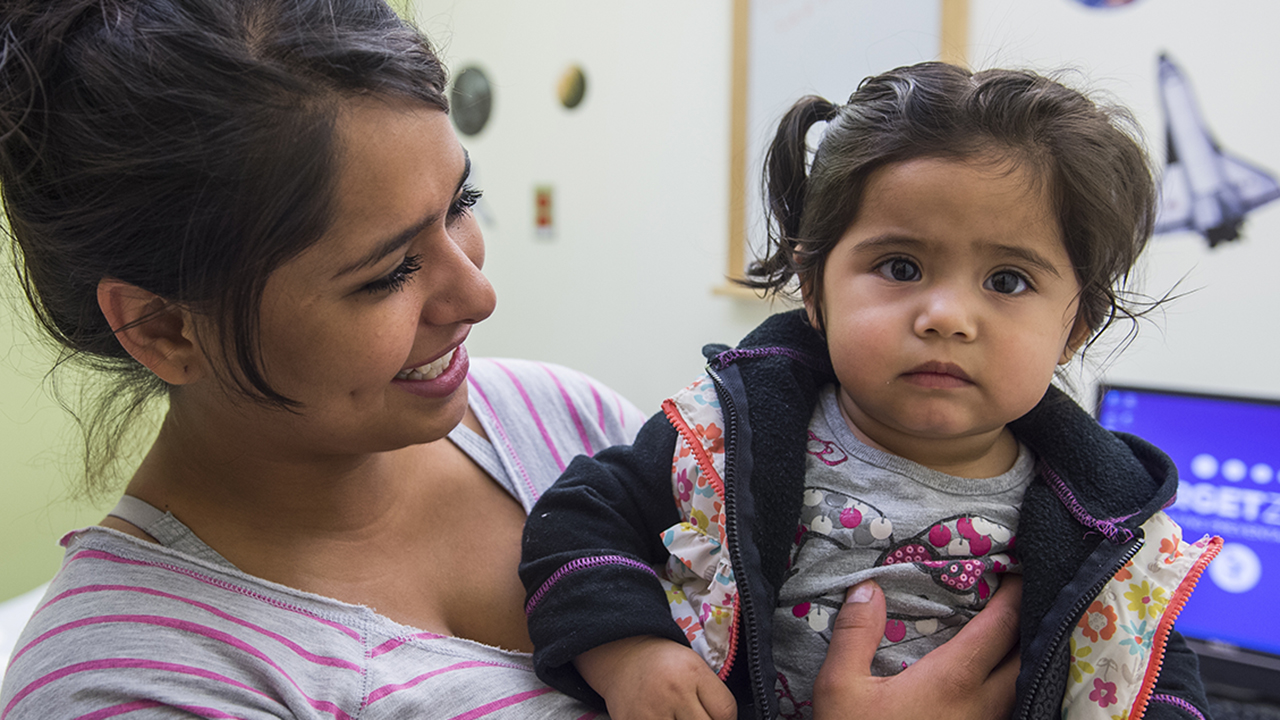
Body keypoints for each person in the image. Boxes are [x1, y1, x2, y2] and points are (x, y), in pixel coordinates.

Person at [0, 3, 1023, 718]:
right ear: (164, 328)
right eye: (383, 275)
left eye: (460, 206)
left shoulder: (556, 419)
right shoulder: (129, 686)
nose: (476, 295)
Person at [520, 62, 1221, 720]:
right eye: (900, 265)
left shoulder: (1107, 526)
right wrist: (629, 652)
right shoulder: (724, 435)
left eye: (1007, 280)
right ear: (814, 288)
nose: (945, 316)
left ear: (1076, 328)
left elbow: (1154, 673)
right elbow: (579, 522)